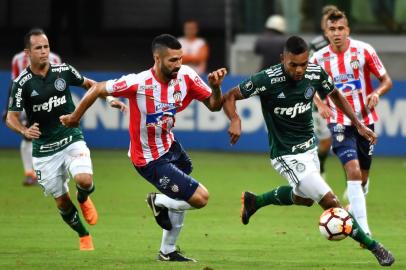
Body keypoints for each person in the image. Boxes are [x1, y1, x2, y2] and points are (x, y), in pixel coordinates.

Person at [222, 36, 394, 266]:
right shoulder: (267, 79)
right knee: (331, 201)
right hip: (286, 155)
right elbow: (230, 95)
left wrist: (358, 124)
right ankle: (373, 245)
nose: (299, 69)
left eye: (303, 64)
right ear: (283, 58)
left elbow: (335, 94)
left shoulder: (314, 72)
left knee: (303, 199)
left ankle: (255, 202)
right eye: (293, 64)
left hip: (309, 150)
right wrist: (234, 118)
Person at [60, 34, 227, 262]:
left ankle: (167, 251)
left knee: (181, 196)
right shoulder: (138, 83)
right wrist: (74, 117)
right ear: (157, 58)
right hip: (148, 159)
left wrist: (216, 88)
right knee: (199, 198)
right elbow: (98, 88)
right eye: (172, 61)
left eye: (180, 59)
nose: (178, 65)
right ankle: (156, 201)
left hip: (170, 147)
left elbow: (215, 106)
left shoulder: (186, 75)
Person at [6, 28, 127, 251]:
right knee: (61, 201)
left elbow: (92, 85)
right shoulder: (21, 84)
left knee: (84, 180)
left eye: (46, 47)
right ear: (27, 53)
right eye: (38, 48)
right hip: (44, 149)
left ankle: (83, 197)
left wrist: (109, 98)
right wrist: (24, 131)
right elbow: (10, 118)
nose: (44, 52)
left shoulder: (63, 70)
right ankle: (83, 235)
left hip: (70, 137)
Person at [310, 10, 393, 238]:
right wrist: (320, 104)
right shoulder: (317, 59)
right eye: (332, 29)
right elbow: (308, 88)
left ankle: (355, 205)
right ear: (326, 33)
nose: (337, 33)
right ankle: (365, 231)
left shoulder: (364, 50)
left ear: (348, 30)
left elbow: (386, 81)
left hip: (365, 122)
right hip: (338, 121)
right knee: (353, 170)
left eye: (340, 29)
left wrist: (376, 93)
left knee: (362, 176)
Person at [9, 49, 62, 186]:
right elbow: (13, 85)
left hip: (51, 105)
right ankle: (29, 173)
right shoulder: (18, 59)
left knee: (52, 135)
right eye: (37, 47)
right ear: (29, 49)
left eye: (44, 46)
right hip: (29, 106)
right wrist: (7, 107)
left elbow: (59, 84)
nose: (42, 50)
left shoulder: (55, 59)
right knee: (28, 135)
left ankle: (48, 173)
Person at [308, 5, 339, 178]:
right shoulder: (316, 45)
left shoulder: (347, 46)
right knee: (326, 142)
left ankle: (356, 183)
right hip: (320, 101)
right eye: (328, 22)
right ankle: (319, 168)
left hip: (340, 101)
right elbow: (307, 71)